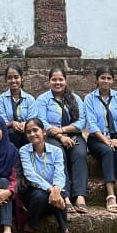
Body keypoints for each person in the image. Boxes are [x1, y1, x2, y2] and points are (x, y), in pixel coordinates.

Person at [35, 66, 88, 214]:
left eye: (61, 79)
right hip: (51, 136)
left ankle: (80, 196)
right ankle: (65, 196)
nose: (57, 83)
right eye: (54, 79)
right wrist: (60, 136)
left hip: (72, 134)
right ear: (49, 81)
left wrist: (63, 131)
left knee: (80, 154)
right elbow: (42, 122)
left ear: (65, 80)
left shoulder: (75, 98)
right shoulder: (43, 99)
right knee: (58, 154)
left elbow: (81, 122)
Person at [17, 118, 76, 233]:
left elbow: (60, 173)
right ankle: (29, 228)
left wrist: (56, 188)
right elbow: (30, 174)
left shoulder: (56, 151)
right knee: (40, 195)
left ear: (43, 132)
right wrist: (51, 189)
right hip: (32, 192)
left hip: (53, 192)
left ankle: (64, 231)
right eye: (28, 132)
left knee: (58, 195)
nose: (32, 134)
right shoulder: (24, 151)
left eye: (35, 130)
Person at [83, 66, 117, 213]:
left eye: (109, 78)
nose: (106, 81)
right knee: (107, 151)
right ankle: (110, 195)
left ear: (113, 80)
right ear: (97, 80)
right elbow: (91, 124)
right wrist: (106, 141)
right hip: (98, 138)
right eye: (102, 78)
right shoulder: (89, 98)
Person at [0, 64, 38, 148]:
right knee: (12, 133)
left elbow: (33, 118)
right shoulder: (0, 99)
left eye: (16, 77)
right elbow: (1, 121)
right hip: (9, 134)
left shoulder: (30, 99)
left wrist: (26, 124)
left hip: (27, 130)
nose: (13, 80)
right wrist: (12, 123)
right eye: (10, 78)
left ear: (22, 78)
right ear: (6, 80)